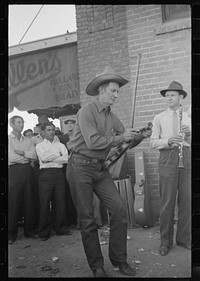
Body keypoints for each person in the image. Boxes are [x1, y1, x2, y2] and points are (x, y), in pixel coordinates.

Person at [66, 66, 152, 277]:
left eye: (118, 91)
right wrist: (122, 138)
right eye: (113, 91)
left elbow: (125, 142)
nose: (116, 95)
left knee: (119, 210)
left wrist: (140, 135)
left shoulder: (111, 117)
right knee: (88, 219)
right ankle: (97, 267)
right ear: (102, 90)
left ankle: (119, 260)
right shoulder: (86, 111)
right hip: (79, 167)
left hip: (100, 168)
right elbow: (94, 142)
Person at [150, 81, 191, 256]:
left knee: (187, 202)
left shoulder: (189, 116)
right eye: (167, 95)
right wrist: (168, 140)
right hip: (167, 158)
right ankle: (165, 242)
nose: (169, 98)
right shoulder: (159, 118)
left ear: (181, 97)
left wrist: (189, 133)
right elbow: (152, 142)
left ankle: (184, 239)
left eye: (172, 95)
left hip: (186, 157)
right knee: (167, 202)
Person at [35, 122, 72, 241]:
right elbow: (44, 159)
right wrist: (58, 157)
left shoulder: (60, 145)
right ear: (43, 132)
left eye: (52, 130)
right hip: (45, 175)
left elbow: (66, 159)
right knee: (45, 203)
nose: (51, 132)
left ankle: (61, 228)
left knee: (60, 201)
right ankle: (44, 232)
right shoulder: (39, 146)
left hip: (59, 174)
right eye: (48, 130)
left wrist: (52, 157)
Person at [8, 116, 37, 244]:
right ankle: (11, 234)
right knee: (13, 202)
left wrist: (23, 153)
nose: (21, 125)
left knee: (29, 200)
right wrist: (26, 158)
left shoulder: (28, 139)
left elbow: (34, 155)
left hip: (27, 172)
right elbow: (11, 157)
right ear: (12, 124)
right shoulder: (8, 139)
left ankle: (29, 231)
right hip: (13, 172)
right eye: (19, 122)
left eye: (22, 122)